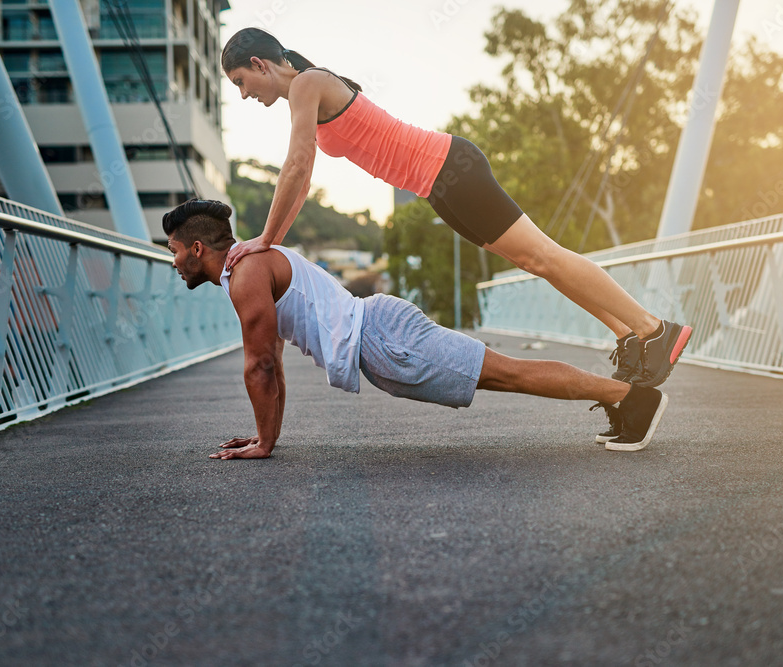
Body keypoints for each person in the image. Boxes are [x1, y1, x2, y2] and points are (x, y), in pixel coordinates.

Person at [219, 27, 693, 392]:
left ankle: (655, 329)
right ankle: (628, 335)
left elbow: (297, 168)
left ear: (259, 64)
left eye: (241, 81)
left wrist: (263, 241)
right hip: (440, 188)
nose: (243, 94)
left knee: (544, 256)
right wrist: (271, 241)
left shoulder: (307, 84)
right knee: (537, 263)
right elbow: (300, 185)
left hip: (452, 168)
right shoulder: (306, 91)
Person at [163, 199, 668, 460]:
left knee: (506, 373)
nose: (176, 264)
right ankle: (626, 400)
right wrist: (263, 435)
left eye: (175, 253)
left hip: (385, 339)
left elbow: (262, 364)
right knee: (500, 374)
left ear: (198, 249)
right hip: (381, 337)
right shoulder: (251, 266)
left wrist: (265, 445)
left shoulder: (246, 273)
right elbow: (270, 357)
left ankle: (632, 398)